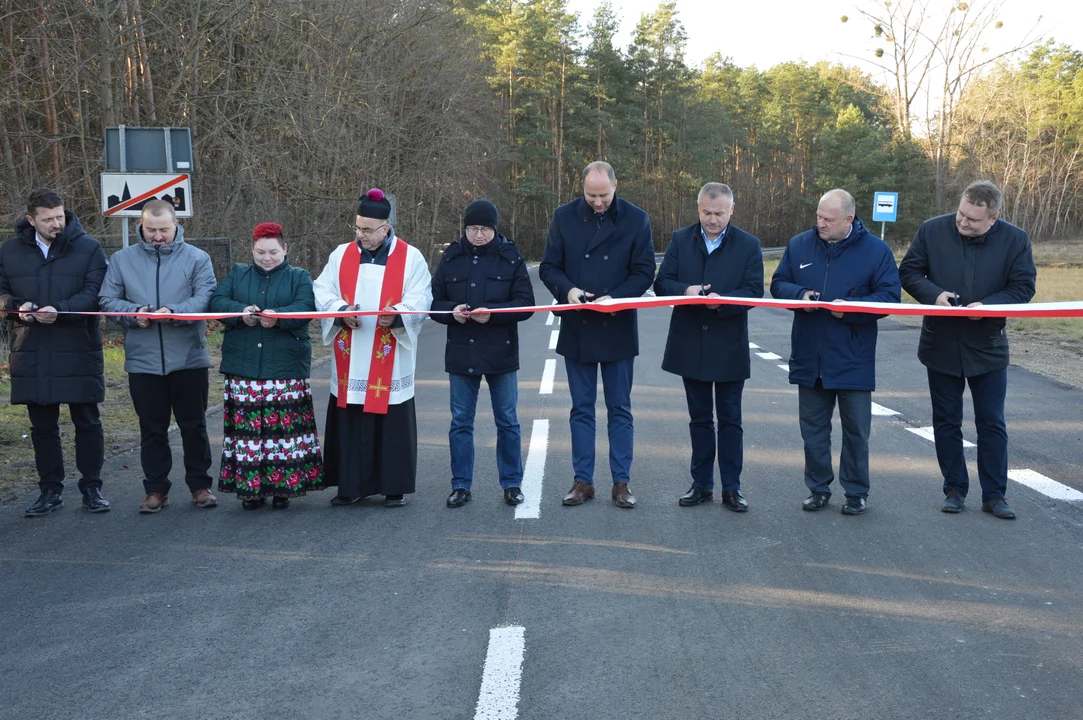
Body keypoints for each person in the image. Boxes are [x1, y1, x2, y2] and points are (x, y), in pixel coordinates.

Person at [899, 180, 1036, 519]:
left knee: (991, 423)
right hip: (940, 343)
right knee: (946, 421)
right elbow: (909, 271)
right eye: (961, 214)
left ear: (993, 218)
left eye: (972, 220)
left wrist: (987, 306)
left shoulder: (1015, 240)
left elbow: (1023, 287)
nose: (962, 222)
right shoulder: (932, 230)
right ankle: (954, 489)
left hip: (987, 345)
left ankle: (995, 495)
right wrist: (934, 294)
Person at [770, 189, 901, 515]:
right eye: (818, 216)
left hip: (853, 357)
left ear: (849, 220)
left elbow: (889, 297)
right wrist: (799, 294)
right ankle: (818, 489)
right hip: (809, 355)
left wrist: (853, 308)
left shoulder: (876, 251)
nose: (821, 223)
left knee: (856, 431)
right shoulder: (800, 244)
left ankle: (856, 492)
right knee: (813, 431)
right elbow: (778, 283)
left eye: (828, 219)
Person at [539, 161, 656, 508]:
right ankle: (583, 481)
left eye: (603, 195)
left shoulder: (637, 219)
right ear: (582, 189)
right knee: (582, 409)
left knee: (620, 408)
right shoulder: (564, 217)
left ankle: (621, 482)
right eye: (591, 195)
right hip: (579, 324)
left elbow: (644, 270)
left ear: (616, 186)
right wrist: (568, 290)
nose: (598, 202)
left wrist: (616, 297)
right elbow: (548, 267)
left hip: (618, 324)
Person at [313, 188, 432, 507]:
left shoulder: (410, 257)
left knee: (391, 420)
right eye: (357, 227)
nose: (360, 235)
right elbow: (322, 289)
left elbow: (422, 298)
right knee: (351, 418)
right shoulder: (340, 255)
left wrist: (397, 317)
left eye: (367, 229)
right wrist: (340, 311)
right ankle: (350, 486)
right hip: (352, 354)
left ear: (386, 227)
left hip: (389, 355)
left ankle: (394, 487)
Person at [99, 199, 218, 513]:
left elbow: (205, 296)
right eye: (151, 229)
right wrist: (133, 313)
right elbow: (107, 300)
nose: (157, 236)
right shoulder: (122, 260)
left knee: (194, 425)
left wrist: (175, 313)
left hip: (189, 358)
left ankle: (200, 485)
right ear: (141, 224)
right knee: (151, 429)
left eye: (164, 229)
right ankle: (155, 490)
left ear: (176, 225)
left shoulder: (198, 258)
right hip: (143, 360)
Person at [653, 183, 763, 512]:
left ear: (731, 210)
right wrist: (686, 290)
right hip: (690, 342)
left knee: (730, 419)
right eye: (706, 213)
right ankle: (701, 485)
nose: (712, 220)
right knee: (699, 419)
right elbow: (661, 284)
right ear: (698, 208)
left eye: (718, 213)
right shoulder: (679, 239)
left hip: (728, 343)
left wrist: (724, 303)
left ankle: (732, 488)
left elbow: (755, 290)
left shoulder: (748, 244)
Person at [0, 189, 109, 516]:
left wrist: (60, 310)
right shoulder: (8, 251)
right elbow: (1, 292)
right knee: (42, 427)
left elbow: (95, 293)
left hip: (78, 347)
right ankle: (49, 491)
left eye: (59, 217)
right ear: (31, 220)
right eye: (47, 220)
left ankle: (92, 488)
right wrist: (18, 307)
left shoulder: (88, 247)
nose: (56, 224)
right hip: (31, 349)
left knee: (87, 422)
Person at [209, 222, 325, 510]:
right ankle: (252, 490)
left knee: (284, 434)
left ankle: (283, 489)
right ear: (252, 249)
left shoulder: (300, 276)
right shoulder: (237, 273)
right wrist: (241, 313)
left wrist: (278, 315)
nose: (266, 258)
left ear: (285, 249)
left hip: (285, 368)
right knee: (249, 433)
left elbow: (305, 307)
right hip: (244, 367)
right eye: (260, 252)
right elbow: (217, 302)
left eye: (273, 251)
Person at [430, 200, 535, 508]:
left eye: (484, 229)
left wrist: (495, 313)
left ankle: (512, 484)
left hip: (501, 352)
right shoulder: (451, 257)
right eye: (472, 229)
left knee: (508, 421)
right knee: (461, 422)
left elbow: (525, 303)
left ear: (494, 229)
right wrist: (452, 311)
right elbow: (433, 301)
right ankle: (461, 485)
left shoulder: (510, 256)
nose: (477, 235)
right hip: (462, 353)